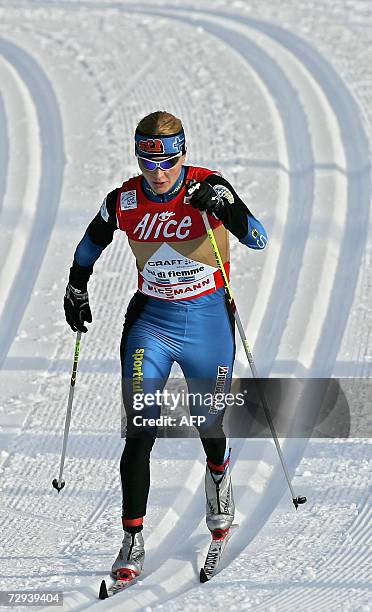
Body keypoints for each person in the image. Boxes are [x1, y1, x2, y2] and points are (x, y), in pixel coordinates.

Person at [64, 111, 268, 582]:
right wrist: (77, 285)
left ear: (182, 155)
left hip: (207, 321)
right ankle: (132, 539)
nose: (158, 172)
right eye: (147, 162)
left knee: (207, 420)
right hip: (151, 323)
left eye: (168, 162)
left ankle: (219, 476)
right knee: (140, 429)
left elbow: (257, 238)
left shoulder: (207, 186)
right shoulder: (124, 200)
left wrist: (225, 206)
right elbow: (89, 244)